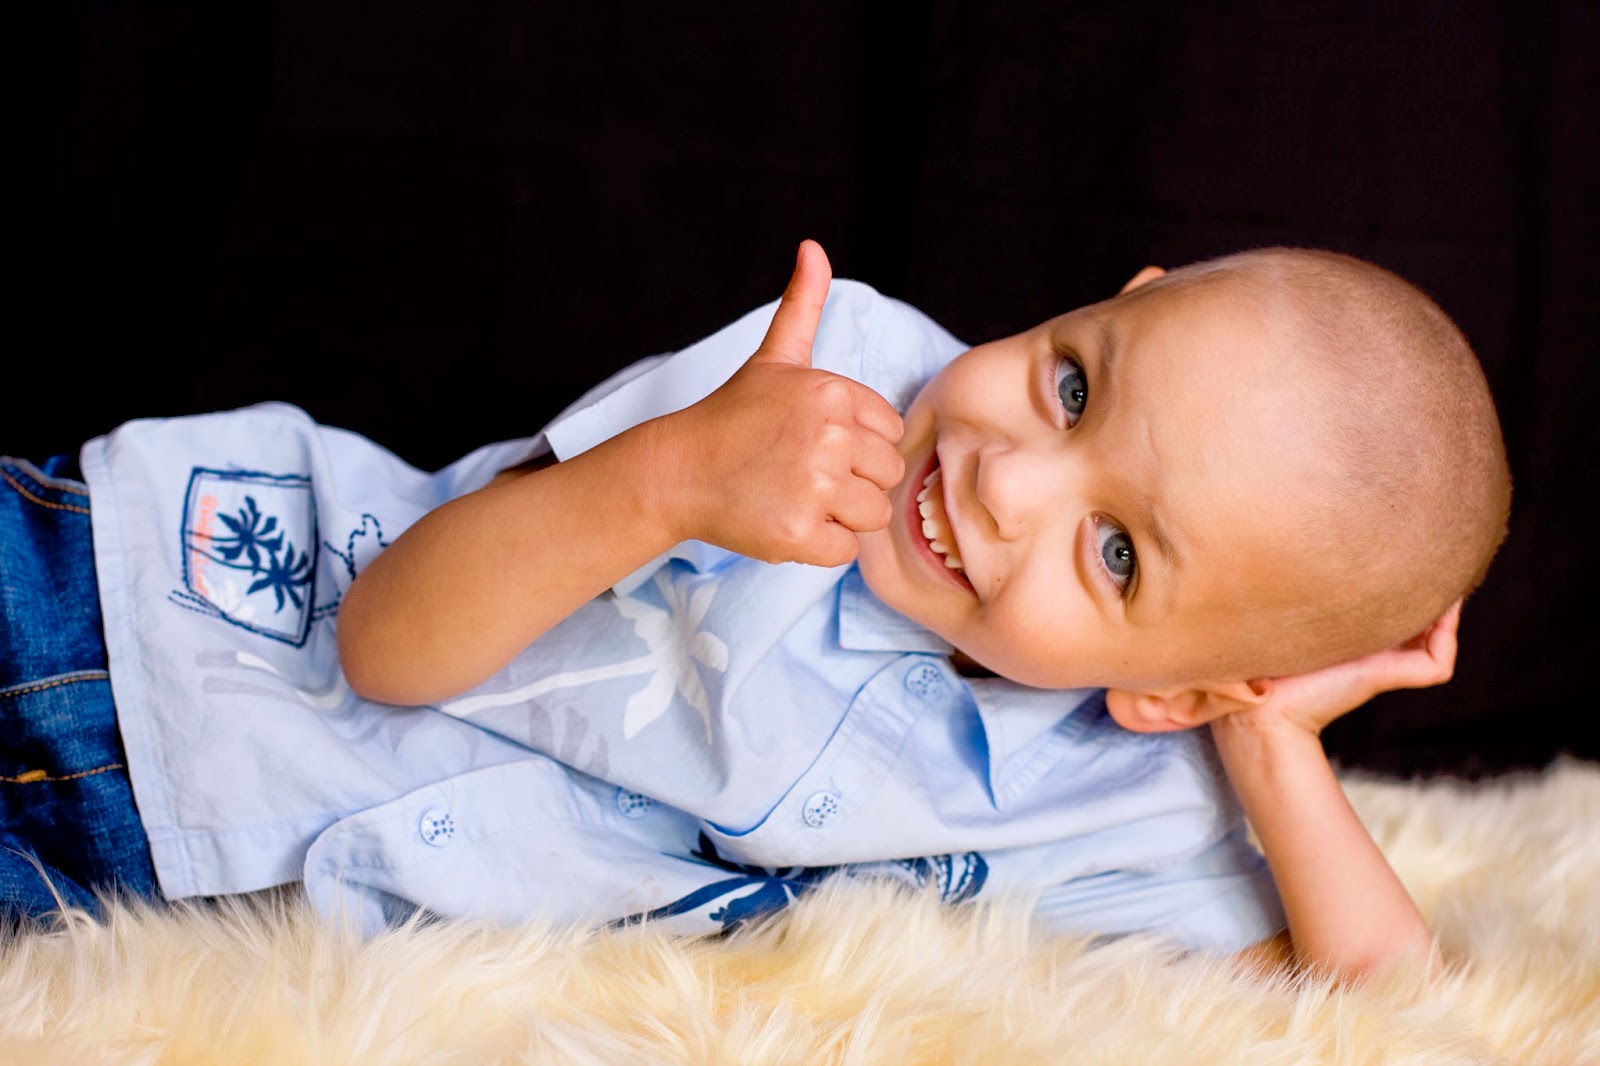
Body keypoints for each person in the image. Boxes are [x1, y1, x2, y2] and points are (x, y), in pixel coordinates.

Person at [0, 241, 1508, 983]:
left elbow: (1394, 1015)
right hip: (131, 622)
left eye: (1117, 553)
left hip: (168, 879)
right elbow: (386, 641)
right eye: (1072, 384)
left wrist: (1273, 743)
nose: (1005, 481)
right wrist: (666, 481)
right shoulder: (816, 382)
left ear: (1182, 690)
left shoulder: (1123, 803)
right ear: (1117, 298)